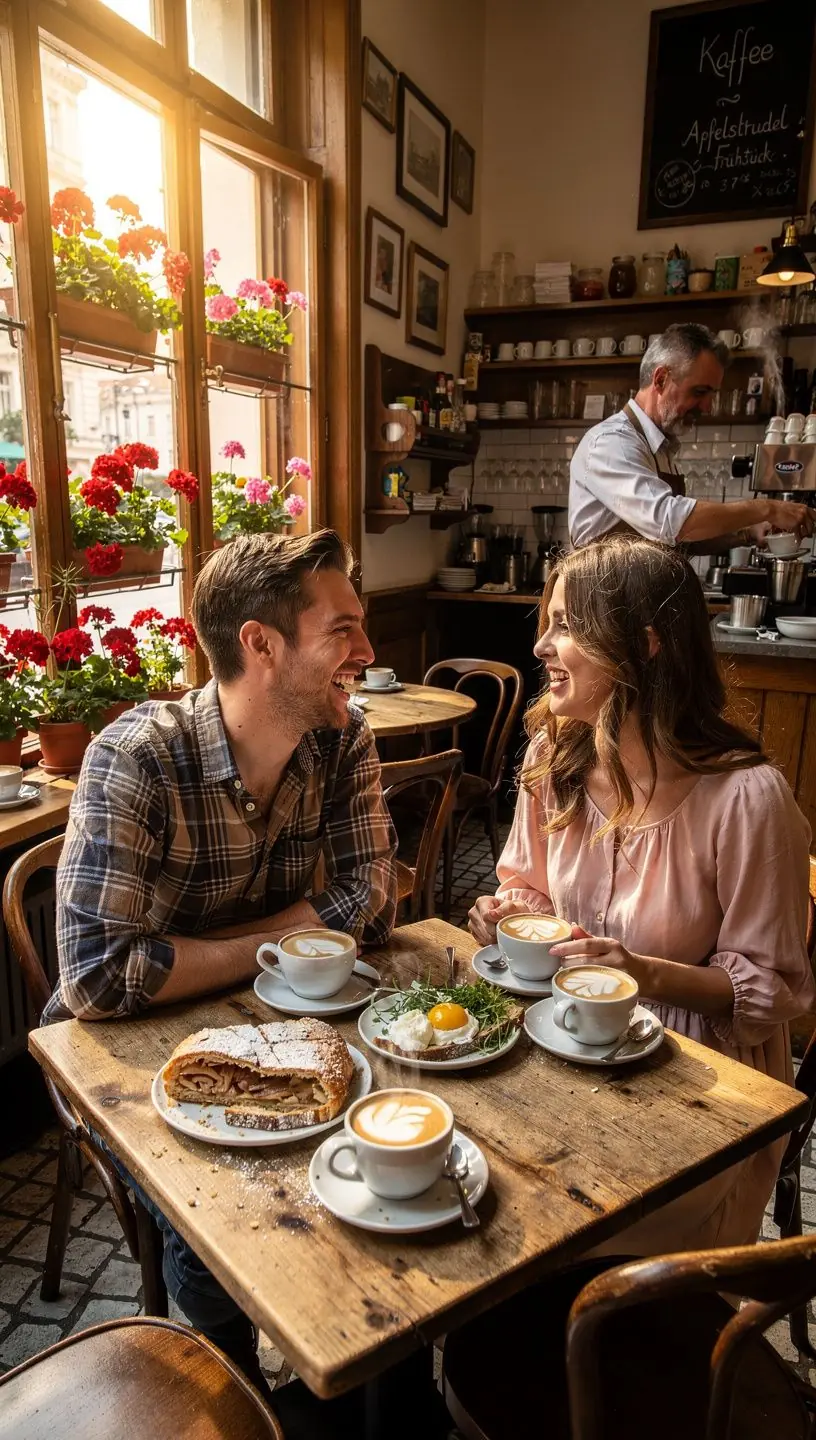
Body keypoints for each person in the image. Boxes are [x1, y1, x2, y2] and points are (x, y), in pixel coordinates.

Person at [44, 528, 398, 1387]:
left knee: (392, 1152)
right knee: (213, 1218)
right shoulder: (136, 757)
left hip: (275, 1018)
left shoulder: (339, 739)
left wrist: (237, 954)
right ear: (261, 644)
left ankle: (384, 1374)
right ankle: (232, 1393)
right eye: (342, 630)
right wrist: (284, 941)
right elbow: (96, 978)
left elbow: (375, 889)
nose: (368, 650)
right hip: (122, 1048)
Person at [470, 536, 814, 1254]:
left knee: (525, 1229)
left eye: (566, 625)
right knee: (469, 1172)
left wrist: (642, 973)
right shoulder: (552, 757)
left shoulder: (746, 798)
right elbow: (526, 884)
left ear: (645, 646)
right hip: (564, 1046)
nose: (541, 646)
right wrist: (509, 918)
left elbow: (773, 992)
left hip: (698, 1096)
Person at [569, 322, 815, 552]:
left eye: (711, 395)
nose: (707, 407)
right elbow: (670, 523)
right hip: (604, 596)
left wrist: (748, 533)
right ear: (661, 379)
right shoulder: (614, 442)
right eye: (699, 392)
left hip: (640, 594)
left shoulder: (659, 448)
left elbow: (679, 539)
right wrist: (766, 509)